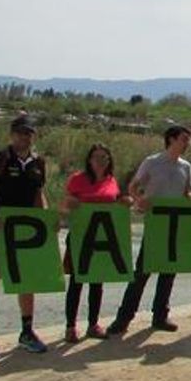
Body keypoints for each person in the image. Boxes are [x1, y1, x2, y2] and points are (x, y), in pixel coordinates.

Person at [107, 125, 191, 335]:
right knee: (142, 272)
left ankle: (160, 316)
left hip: (176, 224)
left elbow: (186, 193)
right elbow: (134, 186)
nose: (187, 143)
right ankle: (123, 318)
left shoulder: (185, 166)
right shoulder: (152, 162)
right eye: (183, 139)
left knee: (168, 272)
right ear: (171, 139)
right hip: (156, 225)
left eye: (188, 140)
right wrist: (140, 200)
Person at [0, 116, 49, 362]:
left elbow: (39, 194)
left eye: (28, 133)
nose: (24, 137)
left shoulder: (38, 162)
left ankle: (26, 331)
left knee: (26, 281)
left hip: (26, 230)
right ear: (12, 134)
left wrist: (45, 219)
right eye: (20, 132)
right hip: (1, 227)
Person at [60, 143, 132, 343]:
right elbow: (64, 206)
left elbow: (116, 202)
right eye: (96, 157)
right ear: (89, 160)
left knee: (97, 282)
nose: (100, 161)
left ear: (109, 161)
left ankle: (93, 324)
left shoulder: (112, 181)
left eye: (104, 158)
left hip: (103, 240)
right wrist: (70, 204)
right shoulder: (77, 179)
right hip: (81, 238)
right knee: (76, 282)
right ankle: (70, 326)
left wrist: (126, 201)